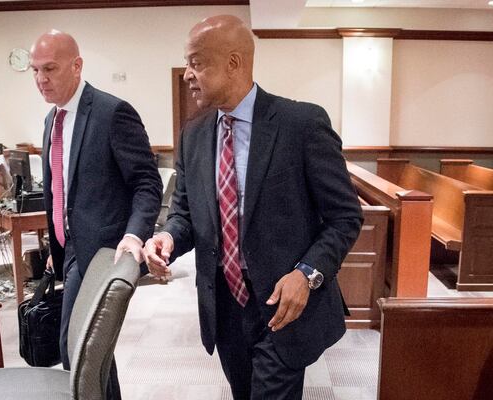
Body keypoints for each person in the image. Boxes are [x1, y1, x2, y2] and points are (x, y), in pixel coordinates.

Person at [144, 15, 363, 400]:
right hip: (224, 306)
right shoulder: (193, 135)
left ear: (234, 63)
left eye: (197, 62)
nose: (187, 75)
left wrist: (308, 273)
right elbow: (186, 215)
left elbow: (345, 216)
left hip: (282, 305)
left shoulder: (301, 124)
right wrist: (167, 238)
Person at [30, 30, 162, 398]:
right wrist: (58, 243)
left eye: (50, 69)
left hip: (105, 253)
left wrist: (134, 235)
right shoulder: (51, 120)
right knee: (90, 352)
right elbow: (62, 189)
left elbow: (146, 183)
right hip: (70, 250)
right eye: (35, 70)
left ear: (77, 66)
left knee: (79, 351)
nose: (41, 79)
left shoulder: (111, 112)